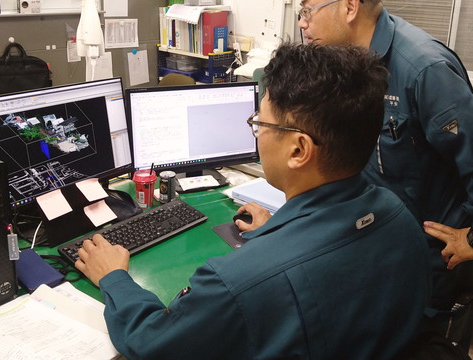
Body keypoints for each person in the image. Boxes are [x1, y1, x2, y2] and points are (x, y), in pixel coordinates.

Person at [76, 43, 431, 360]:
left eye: (260, 123)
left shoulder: (234, 282)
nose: (256, 132)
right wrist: (280, 232)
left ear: (298, 150)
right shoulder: (398, 215)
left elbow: (152, 343)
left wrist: (114, 278)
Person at [284, 0, 473, 347]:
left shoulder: (423, 69)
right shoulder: (346, 63)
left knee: (426, 344)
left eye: (308, 10)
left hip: (430, 252)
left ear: (349, 7)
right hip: (377, 238)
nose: (302, 23)